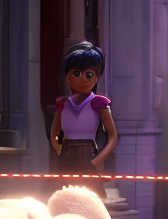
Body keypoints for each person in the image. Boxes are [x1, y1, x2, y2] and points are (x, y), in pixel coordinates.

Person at [50, 42, 119, 180]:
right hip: (67, 154)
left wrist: (99, 159)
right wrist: (59, 150)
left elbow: (113, 136)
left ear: (96, 78)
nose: (82, 79)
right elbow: (54, 132)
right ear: (67, 76)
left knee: (89, 193)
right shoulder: (63, 103)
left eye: (89, 74)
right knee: (66, 191)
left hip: (89, 154)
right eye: (76, 73)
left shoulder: (99, 103)